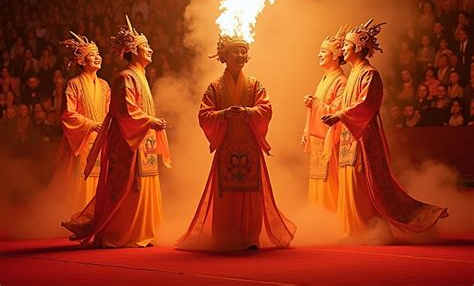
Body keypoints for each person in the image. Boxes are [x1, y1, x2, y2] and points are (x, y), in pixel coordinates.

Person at [322, 19, 447, 242]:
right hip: (349, 136)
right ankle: (352, 230)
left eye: (347, 46)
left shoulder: (369, 74)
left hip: (364, 138)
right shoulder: (352, 75)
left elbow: (367, 105)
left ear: (359, 48)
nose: (344, 50)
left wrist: (340, 115)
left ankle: (365, 229)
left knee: (361, 185)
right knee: (349, 183)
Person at [176, 35, 295, 251]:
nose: (241, 56)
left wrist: (248, 112)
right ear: (224, 56)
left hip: (249, 146)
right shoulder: (214, 87)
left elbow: (266, 109)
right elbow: (204, 114)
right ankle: (225, 235)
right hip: (227, 147)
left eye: (243, 52)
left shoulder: (255, 85)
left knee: (252, 193)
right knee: (226, 193)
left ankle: (251, 237)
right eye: (235, 52)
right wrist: (223, 114)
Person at [62, 16, 171, 248]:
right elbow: (125, 112)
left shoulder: (137, 77)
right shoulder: (125, 77)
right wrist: (150, 120)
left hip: (143, 140)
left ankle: (143, 231)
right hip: (130, 142)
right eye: (146, 47)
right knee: (130, 188)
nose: (150, 50)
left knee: (144, 184)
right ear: (133, 50)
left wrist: (151, 123)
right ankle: (124, 232)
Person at [47, 32, 110, 215]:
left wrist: (105, 128)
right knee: (82, 177)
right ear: (82, 61)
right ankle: (77, 214)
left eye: (98, 54)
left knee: (100, 177)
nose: (97, 57)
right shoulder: (73, 84)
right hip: (82, 139)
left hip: (100, 137)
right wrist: (91, 124)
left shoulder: (105, 86)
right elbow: (68, 114)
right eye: (92, 55)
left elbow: (108, 112)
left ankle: (96, 215)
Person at [302, 27, 347, 211]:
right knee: (317, 179)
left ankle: (331, 216)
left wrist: (315, 104)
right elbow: (315, 109)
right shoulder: (324, 79)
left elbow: (338, 112)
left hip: (330, 139)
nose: (318, 54)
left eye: (323, 51)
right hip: (317, 138)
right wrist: (306, 129)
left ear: (335, 55)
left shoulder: (341, 82)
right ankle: (318, 217)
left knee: (329, 180)